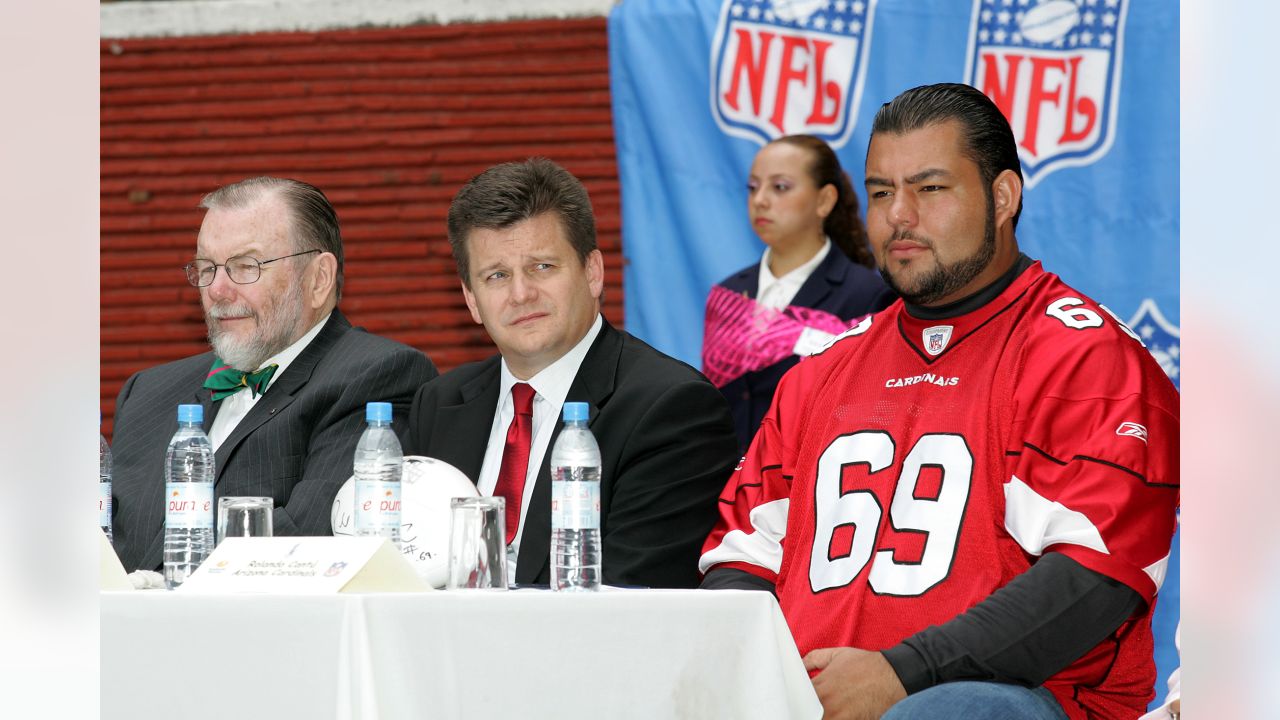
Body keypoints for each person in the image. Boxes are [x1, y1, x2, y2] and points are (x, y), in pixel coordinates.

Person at [699, 84, 1179, 719]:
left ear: (1002, 197)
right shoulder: (822, 370)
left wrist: (903, 675)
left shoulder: (1084, 358)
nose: (898, 215)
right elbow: (740, 557)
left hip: (1007, 701)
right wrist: (769, 676)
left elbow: (1093, 582)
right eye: (880, 193)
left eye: (929, 189)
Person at [406, 158, 738, 589]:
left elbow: (633, 596)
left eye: (542, 266)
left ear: (592, 272)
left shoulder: (672, 408)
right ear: (471, 300)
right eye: (497, 276)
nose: (521, 294)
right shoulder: (439, 403)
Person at [110, 176, 437, 573]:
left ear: (318, 279)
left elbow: (311, 541)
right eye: (206, 268)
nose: (218, 289)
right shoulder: (147, 392)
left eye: (245, 266)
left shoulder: (375, 374)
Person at [702, 134, 895, 452]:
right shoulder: (727, 296)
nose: (760, 200)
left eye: (780, 187)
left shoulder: (867, 296)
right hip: (729, 489)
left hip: (810, 485)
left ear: (824, 201)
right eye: (753, 187)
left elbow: (869, 413)